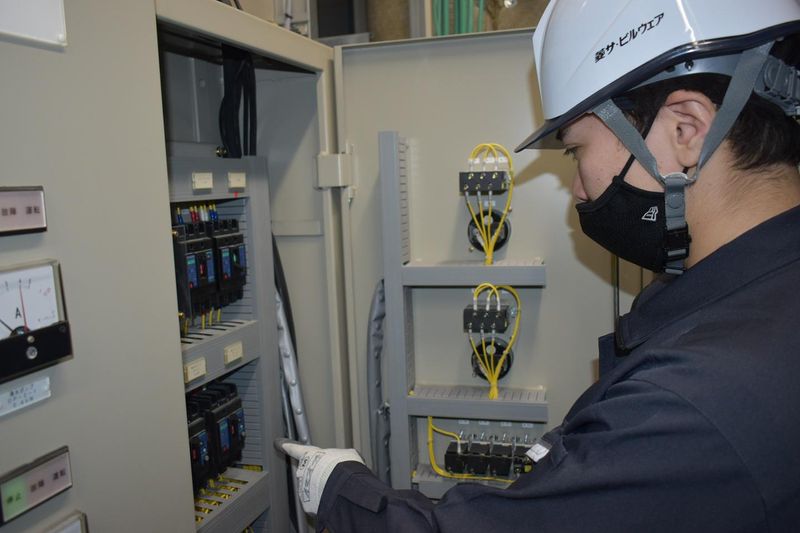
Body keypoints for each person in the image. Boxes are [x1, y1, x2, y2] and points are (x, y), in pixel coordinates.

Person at [281, 1, 800, 531]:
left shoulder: (693, 401)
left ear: (686, 130)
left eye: (575, 151)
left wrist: (340, 488)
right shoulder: (755, 305)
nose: (578, 189)